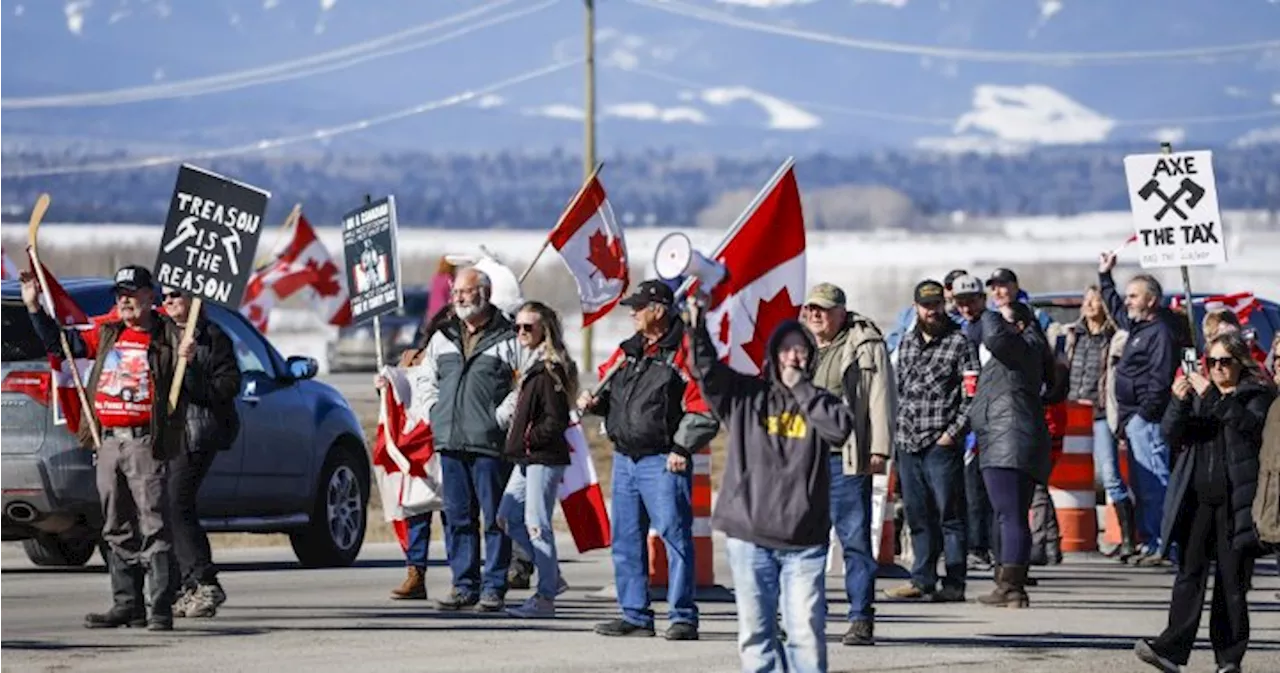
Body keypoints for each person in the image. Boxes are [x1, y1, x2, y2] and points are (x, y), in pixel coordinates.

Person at [687, 295, 855, 673]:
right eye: (787, 349)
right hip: (749, 535)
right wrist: (697, 325)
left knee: (805, 633)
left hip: (804, 541)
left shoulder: (819, 402)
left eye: (801, 350)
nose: (794, 356)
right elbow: (706, 371)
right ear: (773, 355)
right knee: (757, 633)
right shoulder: (745, 396)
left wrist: (802, 390)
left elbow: (840, 430)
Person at [22, 266, 187, 630]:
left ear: (149, 295)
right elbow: (61, 346)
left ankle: (160, 606)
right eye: (120, 294)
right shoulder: (108, 334)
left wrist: (193, 350)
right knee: (115, 525)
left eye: (131, 292)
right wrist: (35, 308)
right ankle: (127, 604)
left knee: (154, 523)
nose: (124, 300)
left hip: (146, 441)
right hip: (108, 440)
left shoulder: (169, 336)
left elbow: (200, 374)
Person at [578, 280, 719, 641]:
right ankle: (635, 615)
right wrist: (594, 403)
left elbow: (704, 410)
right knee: (626, 540)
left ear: (658, 310)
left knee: (676, 538)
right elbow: (608, 394)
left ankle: (683, 616)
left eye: (638, 307)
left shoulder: (686, 352)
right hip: (625, 460)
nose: (632, 313)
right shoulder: (629, 352)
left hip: (663, 461)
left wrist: (681, 448)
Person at [1134, 333, 1275, 673]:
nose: (1216, 369)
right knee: (1189, 576)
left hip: (1235, 502)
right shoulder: (1201, 396)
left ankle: (1228, 658)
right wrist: (1179, 402)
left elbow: (1246, 426)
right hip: (1197, 501)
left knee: (1232, 584)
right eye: (1211, 362)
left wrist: (1210, 394)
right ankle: (1170, 649)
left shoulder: (1256, 396)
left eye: (1224, 362)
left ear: (1240, 364)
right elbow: (1172, 435)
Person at [411, 267, 522, 612]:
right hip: (450, 440)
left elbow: (524, 384)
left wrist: (499, 417)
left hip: (489, 443)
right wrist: (434, 411)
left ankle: (494, 586)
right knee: (458, 517)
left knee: (494, 519)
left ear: (484, 293)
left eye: (465, 291)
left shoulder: (509, 337)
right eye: (455, 291)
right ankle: (464, 585)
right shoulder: (442, 336)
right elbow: (425, 378)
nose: (457, 297)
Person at [800, 282, 894, 646]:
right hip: (804, 462)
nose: (815, 315)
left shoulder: (864, 345)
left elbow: (881, 398)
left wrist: (879, 449)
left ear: (841, 312)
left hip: (846, 458)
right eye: (810, 309)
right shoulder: (799, 346)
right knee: (806, 545)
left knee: (854, 541)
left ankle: (860, 618)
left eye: (822, 309)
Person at [884, 280, 978, 602]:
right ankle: (922, 579)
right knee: (917, 513)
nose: (932, 311)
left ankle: (954, 582)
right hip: (908, 442)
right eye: (927, 306)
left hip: (941, 442)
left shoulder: (959, 342)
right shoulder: (907, 343)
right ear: (916, 308)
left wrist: (953, 433)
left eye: (937, 304)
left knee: (950, 516)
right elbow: (898, 390)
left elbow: (972, 396)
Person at [161, 288, 241, 619]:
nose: (168, 301)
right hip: (162, 431)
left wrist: (190, 368)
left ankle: (205, 582)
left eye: (176, 295)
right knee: (165, 507)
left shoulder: (213, 337)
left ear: (196, 301)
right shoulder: (160, 333)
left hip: (196, 431)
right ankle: (181, 586)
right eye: (164, 296)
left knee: (177, 502)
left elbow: (228, 386)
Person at [971, 302, 1054, 608]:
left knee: (1011, 515)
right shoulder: (1027, 350)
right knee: (1008, 514)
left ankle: (1012, 587)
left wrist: (991, 310)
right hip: (1009, 441)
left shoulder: (1020, 345)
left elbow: (993, 336)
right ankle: (1006, 582)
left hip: (1010, 442)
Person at [1098, 251, 1179, 566]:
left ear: (1152, 300)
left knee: (1156, 483)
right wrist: (1105, 276)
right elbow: (1116, 310)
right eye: (1128, 295)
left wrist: (1143, 415)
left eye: (1135, 296)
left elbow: (1160, 380)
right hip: (1133, 420)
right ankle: (1150, 541)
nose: (1128, 300)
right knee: (1142, 485)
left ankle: (1165, 545)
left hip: (1147, 421)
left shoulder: (1159, 333)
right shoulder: (1137, 330)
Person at [497, 301, 576, 619]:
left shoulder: (550, 368)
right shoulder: (530, 364)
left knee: (537, 525)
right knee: (506, 517)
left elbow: (556, 420)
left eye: (528, 327)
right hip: (525, 458)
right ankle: (552, 575)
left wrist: (529, 439)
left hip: (543, 457)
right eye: (517, 327)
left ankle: (545, 597)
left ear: (545, 329)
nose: (521, 332)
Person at [381, 305, 456, 601]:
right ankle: (415, 572)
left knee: (455, 512)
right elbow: (401, 396)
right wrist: (384, 386)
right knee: (417, 511)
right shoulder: (412, 358)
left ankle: (461, 577)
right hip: (418, 448)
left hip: (449, 439)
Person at [1063, 285, 1135, 560]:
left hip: (1101, 413)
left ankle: (1127, 538)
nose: (1091, 304)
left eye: (1097, 300)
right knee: (1063, 478)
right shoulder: (1071, 334)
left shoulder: (1116, 338)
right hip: (1072, 410)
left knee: (1110, 475)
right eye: (1087, 299)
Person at [951, 274, 996, 570]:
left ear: (983, 298)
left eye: (972, 301)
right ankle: (972, 543)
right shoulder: (961, 329)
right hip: (963, 414)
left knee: (978, 487)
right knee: (966, 487)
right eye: (961, 302)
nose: (967, 307)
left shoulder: (989, 327)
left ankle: (980, 546)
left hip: (984, 416)